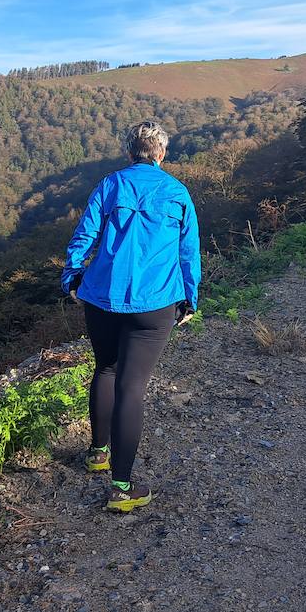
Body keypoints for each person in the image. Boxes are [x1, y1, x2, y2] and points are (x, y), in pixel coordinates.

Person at [61, 120, 200, 512]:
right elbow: (188, 251)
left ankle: (97, 453)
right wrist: (190, 298)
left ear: (129, 152)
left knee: (105, 370)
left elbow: (84, 235)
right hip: (155, 303)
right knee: (132, 387)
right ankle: (122, 488)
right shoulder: (177, 192)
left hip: (102, 296)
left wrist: (71, 276)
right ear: (162, 154)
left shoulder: (111, 185)